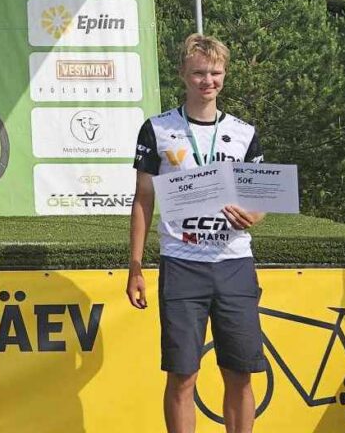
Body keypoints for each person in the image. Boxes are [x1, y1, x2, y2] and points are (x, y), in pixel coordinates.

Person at [126, 34, 267, 433]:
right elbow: (142, 199)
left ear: (225, 74)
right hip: (182, 263)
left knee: (239, 373)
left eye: (216, 73)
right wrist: (135, 266)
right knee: (182, 374)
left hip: (234, 263)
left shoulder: (244, 132)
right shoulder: (157, 129)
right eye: (199, 73)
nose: (208, 81)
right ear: (183, 75)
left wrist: (253, 216)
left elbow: (259, 198)